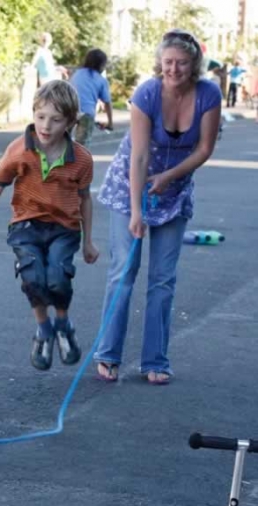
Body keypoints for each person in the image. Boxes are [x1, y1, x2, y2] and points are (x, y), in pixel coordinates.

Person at [94, 29, 222, 384]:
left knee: (163, 279)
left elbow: (204, 149)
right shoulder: (147, 93)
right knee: (124, 270)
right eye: (168, 62)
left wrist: (169, 177)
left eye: (181, 63)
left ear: (194, 64)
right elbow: (137, 156)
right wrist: (136, 211)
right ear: (159, 62)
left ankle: (155, 361)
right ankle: (107, 354)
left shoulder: (208, 94)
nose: (174, 69)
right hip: (131, 184)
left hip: (174, 188)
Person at [0, 80, 99, 371]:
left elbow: (84, 200)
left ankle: (63, 324)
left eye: (56, 120)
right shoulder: (19, 150)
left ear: (70, 122)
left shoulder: (81, 159)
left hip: (64, 227)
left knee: (57, 277)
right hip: (25, 226)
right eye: (40, 116)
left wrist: (88, 241)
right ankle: (44, 330)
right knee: (33, 277)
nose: (45, 126)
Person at [70, 48, 114, 147]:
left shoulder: (77, 74)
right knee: (82, 145)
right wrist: (110, 123)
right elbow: (107, 103)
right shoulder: (101, 80)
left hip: (70, 110)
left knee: (63, 139)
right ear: (101, 65)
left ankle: (61, 158)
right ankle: (79, 161)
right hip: (87, 113)